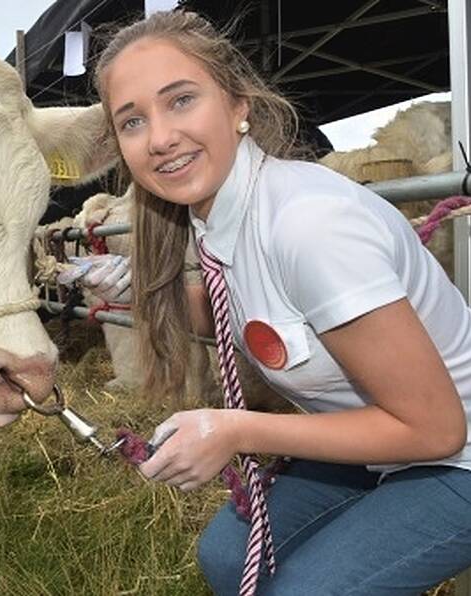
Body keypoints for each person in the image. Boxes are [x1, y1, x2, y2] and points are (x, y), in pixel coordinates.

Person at [74, 9, 471, 596]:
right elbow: (249, 311)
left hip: (454, 455)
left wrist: (236, 431)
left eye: (181, 100)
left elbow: (436, 430)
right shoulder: (216, 216)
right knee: (227, 558)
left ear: (239, 106)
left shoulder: (308, 227)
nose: (159, 138)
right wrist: (141, 289)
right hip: (371, 440)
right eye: (132, 121)